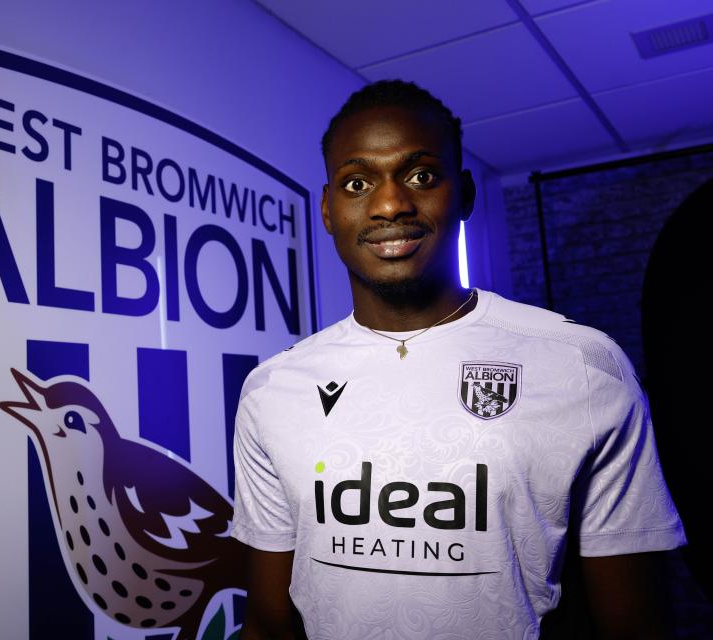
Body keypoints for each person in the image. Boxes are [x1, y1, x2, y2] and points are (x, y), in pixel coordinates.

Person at [230, 79, 686, 639]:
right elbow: (268, 623)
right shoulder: (272, 390)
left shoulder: (585, 367)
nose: (392, 203)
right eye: (357, 182)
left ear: (465, 193)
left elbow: (638, 627)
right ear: (328, 210)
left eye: (421, 175)